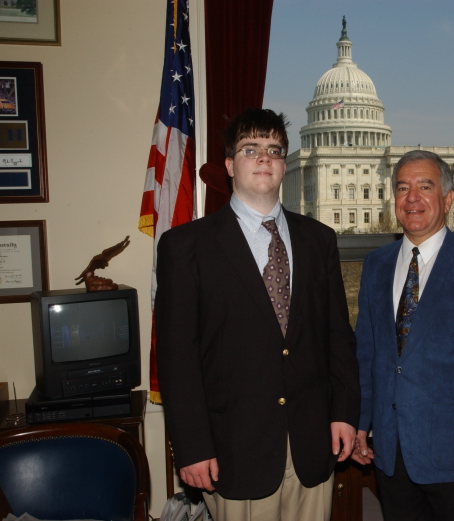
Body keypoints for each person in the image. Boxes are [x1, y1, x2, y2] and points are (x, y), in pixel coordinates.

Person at [155, 108, 360, 521]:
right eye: (251, 149)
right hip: (234, 447)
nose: (264, 158)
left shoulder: (318, 239)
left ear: (284, 164)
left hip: (311, 441)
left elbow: (337, 336)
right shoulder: (185, 247)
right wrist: (192, 447)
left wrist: (345, 413)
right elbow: (178, 359)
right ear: (230, 164)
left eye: (274, 150)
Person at [352, 150, 454, 520]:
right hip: (391, 452)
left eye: (425, 186)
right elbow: (367, 353)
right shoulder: (376, 265)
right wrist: (362, 421)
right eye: (403, 187)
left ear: (448, 198)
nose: (412, 198)